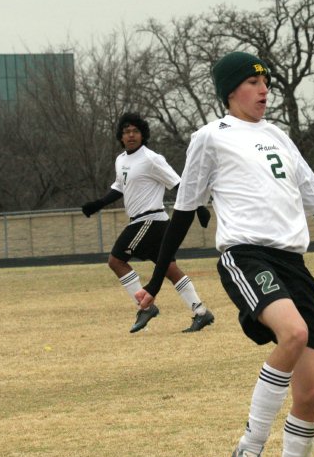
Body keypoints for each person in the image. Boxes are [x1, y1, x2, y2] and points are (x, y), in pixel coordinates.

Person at [136, 51, 314, 457]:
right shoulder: (211, 137)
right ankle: (248, 447)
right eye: (252, 82)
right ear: (230, 91)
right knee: (293, 334)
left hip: (294, 266)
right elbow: (183, 213)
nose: (264, 90)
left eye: (266, 83)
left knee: (311, 394)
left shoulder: (280, 136)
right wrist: (153, 283)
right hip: (246, 256)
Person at [81, 112, 214, 334]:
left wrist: (199, 206)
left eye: (135, 131)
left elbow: (178, 184)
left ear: (143, 134)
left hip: (149, 220)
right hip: (150, 223)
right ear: (121, 137)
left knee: (116, 261)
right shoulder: (121, 160)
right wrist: (98, 204)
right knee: (170, 270)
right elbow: (119, 187)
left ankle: (145, 306)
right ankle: (201, 312)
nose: (130, 135)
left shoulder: (152, 158)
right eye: (126, 132)